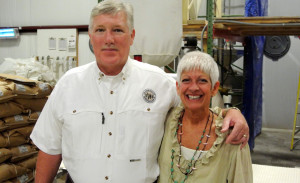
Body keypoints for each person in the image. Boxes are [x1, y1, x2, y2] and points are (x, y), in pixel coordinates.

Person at [30, 1, 249, 183]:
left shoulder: (160, 83)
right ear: (90, 36)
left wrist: (231, 114)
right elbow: (50, 149)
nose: (109, 39)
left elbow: (196, 105)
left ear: (132, 36)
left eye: (118, 30)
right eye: (100, 30)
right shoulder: (68, 85)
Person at [158, 51, 253, 183]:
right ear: (178, 88)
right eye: (186, 80)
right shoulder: (166, 120)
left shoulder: (232, 135)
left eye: (202, 80)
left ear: (214, 88)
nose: (194, 88)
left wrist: (233, 112)